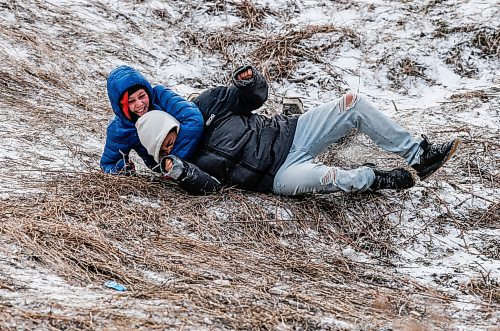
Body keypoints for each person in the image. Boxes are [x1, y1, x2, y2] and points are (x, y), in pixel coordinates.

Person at [136, 65, 461, 196]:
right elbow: (210, 187)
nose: (172, 143)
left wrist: (250, 83)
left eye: (170, 135)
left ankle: (419, 155)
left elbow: (255, 98)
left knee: (352, 104)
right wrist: (179, 172)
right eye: (164, 147)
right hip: (279, 177)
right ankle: (377, 179)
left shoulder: (208, 105)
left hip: (291, 131)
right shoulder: (182, 164)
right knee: (332, 178)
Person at [100, 65, 204, 175]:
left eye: (142, 96)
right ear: (121, 105)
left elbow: (194, 120)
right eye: (131, 101)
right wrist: (122, 170)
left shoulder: (160, 96)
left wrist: (174, 159)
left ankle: (194, 100)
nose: (140, 104)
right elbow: (107, 164)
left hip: (193, 145)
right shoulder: (120, 129)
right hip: (164, 168)